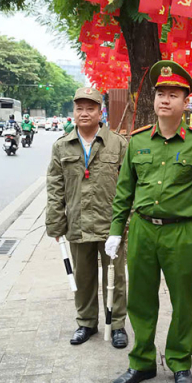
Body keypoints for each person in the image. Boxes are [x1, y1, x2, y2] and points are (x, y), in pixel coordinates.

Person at [105, 60, 192, 383]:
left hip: (181, 232)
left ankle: (180, 361)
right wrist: (117, 230)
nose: (165, 100)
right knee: (141, 298)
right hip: (142, 230)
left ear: (186, 103)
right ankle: (141, 361)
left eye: (174, 94)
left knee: (183, 300)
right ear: (154, 101)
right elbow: (124, 190)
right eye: (160, 94)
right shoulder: (138, 141)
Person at [46, 87, 130, 349]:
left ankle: (116, 324)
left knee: (115, 277)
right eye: (79, 108)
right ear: (74, 111)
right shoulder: (61, 146)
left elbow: (130, 186)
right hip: (78, 223)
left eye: (90, 108)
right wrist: (55, 223)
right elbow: (55, 186)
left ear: (99, 111)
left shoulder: (118, 143)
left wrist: (127, 221)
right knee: (83, 277)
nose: (84, 113)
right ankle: (86, 323)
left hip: (111, 224)